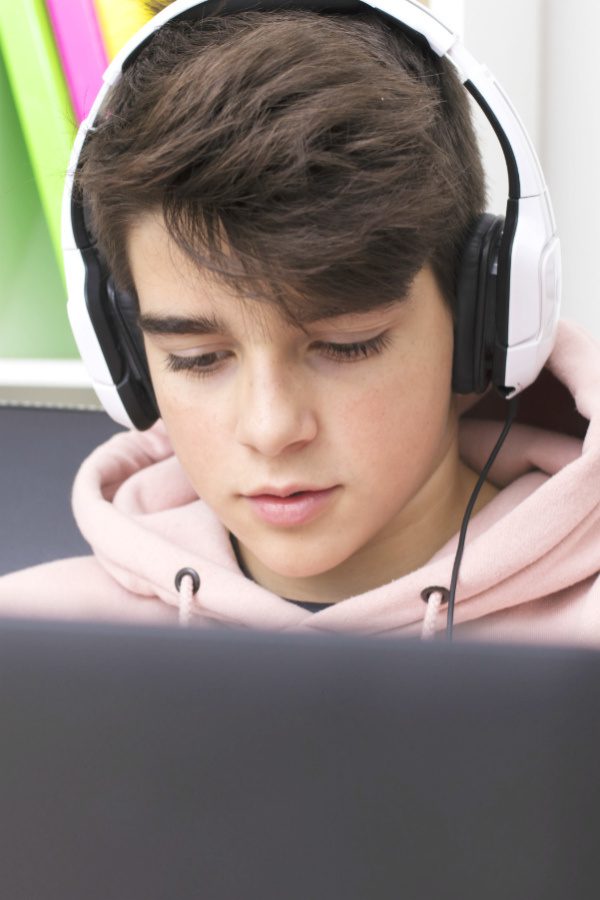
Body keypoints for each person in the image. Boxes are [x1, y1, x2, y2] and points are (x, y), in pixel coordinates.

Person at [0, 0, 598, 644]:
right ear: (124, 353)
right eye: (198, 358)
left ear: (486, 329)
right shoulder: (27, 635)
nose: (271, 429)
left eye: (345, 346)